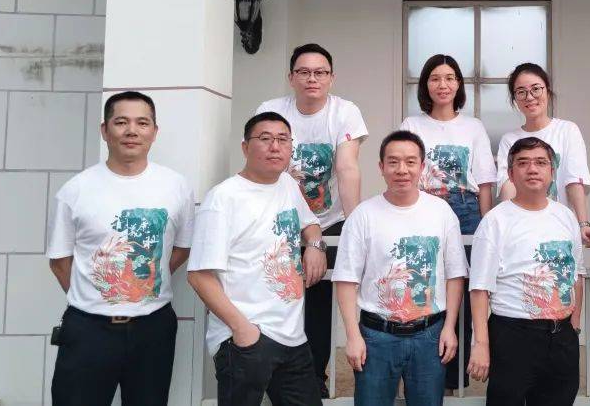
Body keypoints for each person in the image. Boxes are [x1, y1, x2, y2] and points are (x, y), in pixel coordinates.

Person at [47, 91, 194, 405]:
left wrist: (140, 286)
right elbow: (59, 260)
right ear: (105, 130)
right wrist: (96, 294)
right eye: (121, 122)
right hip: (89, 329)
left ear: (154, 131)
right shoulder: (77, 189)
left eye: (142, 123)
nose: (132, 131)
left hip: (153, 327)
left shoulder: (176, 186)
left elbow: (181, 249)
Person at [187, 112, 328, 406]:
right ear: (245, 147)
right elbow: (199, 275)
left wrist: (315, 245)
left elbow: (310, 223)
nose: (275, 146)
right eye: (265, 139)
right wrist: (243, 330)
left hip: (293, 338)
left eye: (283, 139)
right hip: (246, 340)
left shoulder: (287, 184)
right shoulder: (223, 199)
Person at [256, 42, 368, 395]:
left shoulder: (344, 112)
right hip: (280, 221)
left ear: (331, 78)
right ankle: (275, 374)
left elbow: (347, 168)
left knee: (318, 296)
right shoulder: (271, 110)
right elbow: (261, 164)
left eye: (320, 72)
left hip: (329, 219)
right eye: (303, 72)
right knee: (279, 292)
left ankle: (314, 378)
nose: (312, 79)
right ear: (291, 77)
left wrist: (354, 228)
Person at [332, 130, 469, 406]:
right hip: (377, 336)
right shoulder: (363, 215)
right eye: (393, 162)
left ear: (422, 166)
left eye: (410, 161)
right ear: (381, 167)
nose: (402, 170)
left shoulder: (441, 212)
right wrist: (353, 336)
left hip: (430, 335)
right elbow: (346, 279)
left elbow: (455, 274)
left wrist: (449, 327)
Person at [399, 53, 497, 392]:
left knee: (465, 291)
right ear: (425, 85)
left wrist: (484, 224)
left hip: (466, 209)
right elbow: (404, 171)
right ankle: (419, 375)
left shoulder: (473, 126)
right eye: (435, 78)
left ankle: (453, 382)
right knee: (424, 286)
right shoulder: (412, 124)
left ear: (459, 85)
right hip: (423, 207)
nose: (443, 84)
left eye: (450, 78)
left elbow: (485, 180)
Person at [467, 136, 585, 406]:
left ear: (552, 171)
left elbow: (576, 274)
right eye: (523, 163)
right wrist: (481, 344)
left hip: (562, 336)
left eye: (541, 163)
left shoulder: (566, 216)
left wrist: (574, 325)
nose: (532, 169)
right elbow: (479, 289)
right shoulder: (495, 221)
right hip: (513, 335)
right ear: (510, 174)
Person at [496, 62, 590, 247]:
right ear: (515, 99)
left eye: (536, 89)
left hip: (560, 228)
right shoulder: (509, 140)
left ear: (547, 91)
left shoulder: (567, 130)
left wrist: (583, 223)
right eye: (521, 92)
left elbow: (574, 180)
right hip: (521, 232)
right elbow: (507, 185)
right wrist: (509, 225)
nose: (529, 97)